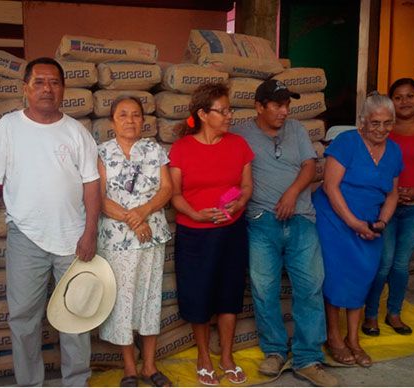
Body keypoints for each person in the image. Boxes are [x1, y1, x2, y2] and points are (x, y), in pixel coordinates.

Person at [0, 57, 100, 386]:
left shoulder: (77, 132)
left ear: (63, 89)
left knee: (76, 315)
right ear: (25, 89)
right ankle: (29, 383)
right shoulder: (8, 127)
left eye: (54, 83)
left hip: (73, 239)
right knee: (23, 318)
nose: (47, 89)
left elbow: (92, 184)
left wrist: (90, 233)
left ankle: (76, 381)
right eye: (39, 82)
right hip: (26, 238)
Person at [232, 79, 337, 387]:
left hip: (302, 219)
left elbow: (309, 166)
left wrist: (292, 194)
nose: (284, 111)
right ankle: (275, 351)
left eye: (287, 105)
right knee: (264, 289)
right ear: (259, 107)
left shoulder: (296, 131)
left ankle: (307, 358)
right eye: (277, 105)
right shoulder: (241, 134)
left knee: (310, 287)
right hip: (261, 220)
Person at [169, 83, 252, 386]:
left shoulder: (238, 145)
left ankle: (227, 356)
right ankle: (204, 357)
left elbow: (246, 187)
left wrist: (238, 204)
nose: (229, 115)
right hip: (195, 235)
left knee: (229, 294)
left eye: (230, 109)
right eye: (224, 110)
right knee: (198, 295)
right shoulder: (181, 149)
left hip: (232, 232)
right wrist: (195, 213)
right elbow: (175, 195)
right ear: (203, 114)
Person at [313, 93, 401, 368]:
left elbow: (393, 194)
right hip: (335, 221)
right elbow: (330, 186)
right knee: (336, 278)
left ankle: (354, 339)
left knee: (363, 278)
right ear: (362, 122)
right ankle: (334, 337)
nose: (381, 129)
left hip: (371, 225)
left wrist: (382, 223)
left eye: (387, 123)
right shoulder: (346, 143)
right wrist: (353, 223)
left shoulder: (394, 151)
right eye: (375, 123)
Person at [97, 96, 173, 387]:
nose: (130, 120)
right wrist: (133, 219)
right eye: (123, 115)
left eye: (136, 115)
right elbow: (100, 198)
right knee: (122, 302)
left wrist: (144, 212)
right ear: (112, 121)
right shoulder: (102, 153)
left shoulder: (155, 150)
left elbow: (167, 189)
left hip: (151, 236)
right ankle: (129, 368)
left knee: (150, 299)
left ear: (144, 120)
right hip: (116, 241)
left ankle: (150, 367)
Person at [363, 79, 414, 336]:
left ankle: (394, 313)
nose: (405, 102)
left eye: (411, 96)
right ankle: (370, 315)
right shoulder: (383, 129)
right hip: (385, 209)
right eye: (398, 97)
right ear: (390, 100)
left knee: (401, 265)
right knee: (383, 263)